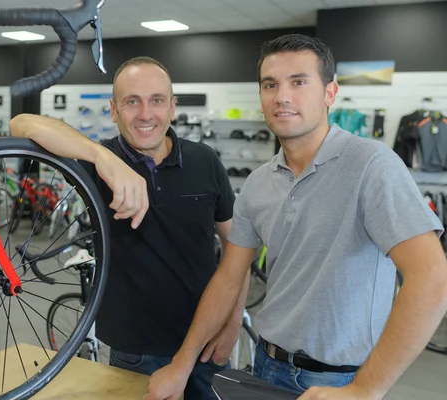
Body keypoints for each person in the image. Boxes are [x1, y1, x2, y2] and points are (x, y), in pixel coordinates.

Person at [144, 33, 447, 400]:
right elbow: (228, 278)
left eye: (299, 82)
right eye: (270, 84)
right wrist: (183, 362)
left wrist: (366, 389)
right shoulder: (257, 184)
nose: (282, 96)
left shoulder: (372, 165)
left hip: (339, 381)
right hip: (266, 366)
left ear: (329, 93)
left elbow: (432, 276)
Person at [10, 56, 246, 399]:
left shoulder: (205, 160)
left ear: (173, 107)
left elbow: (237, 247)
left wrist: (233, 320)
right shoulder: (94, 166)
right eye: (131, 101)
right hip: (136, 352)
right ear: (113, 109)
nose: (145, 113)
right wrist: (102, 157)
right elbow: (20, 123)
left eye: (157, 100)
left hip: (206, 343)